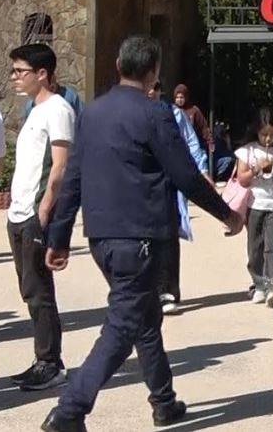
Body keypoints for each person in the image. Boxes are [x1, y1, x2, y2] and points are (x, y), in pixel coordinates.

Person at [40, 35, 244, 432]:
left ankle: (163, 402)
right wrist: (227, 214)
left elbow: (74, 177)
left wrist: (59, 238)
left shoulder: (93, 113)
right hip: (142, 239)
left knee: (144, 318)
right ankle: (70, 410)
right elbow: (185, 174)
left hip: (101, 238)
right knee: (122, 325)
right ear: (154, 72)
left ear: (118, 65)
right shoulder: (155, 114)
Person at [6, 43, 76, 392]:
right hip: (17, 213)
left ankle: (51, 363)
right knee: (28, 290)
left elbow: (61, 166)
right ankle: (42, 359)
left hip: (35, 214)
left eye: (20, 71)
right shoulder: (34, 109)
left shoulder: (58, 109)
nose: (15, 78)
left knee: (39, 292)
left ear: (42, 73)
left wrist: (45, 209)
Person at [149, 80, 209, 315]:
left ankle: (168, 291)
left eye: (156, 88)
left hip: (167, 185)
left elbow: (192, 144)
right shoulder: (131, 113)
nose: (151, 92)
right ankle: (150, 291)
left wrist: (202, 171)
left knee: (168, 239)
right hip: (141, 186)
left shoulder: (174, 114)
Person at [235, 107, 273, 307]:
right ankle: (258, 284)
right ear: (256, 131)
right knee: (255, 247)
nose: (268, 139)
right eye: (264, 134)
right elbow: (241, 179)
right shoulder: (248, 150)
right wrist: (256, 168)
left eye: (272, 134)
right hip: (254, 205)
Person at [171, 85, 211, 172]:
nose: (179, 100)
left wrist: (210, 141)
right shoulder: (172, 111)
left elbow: (203, 127)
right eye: (177, 97)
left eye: (182, 97)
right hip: (179, 147)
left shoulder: (193, 110)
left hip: (194, 147)